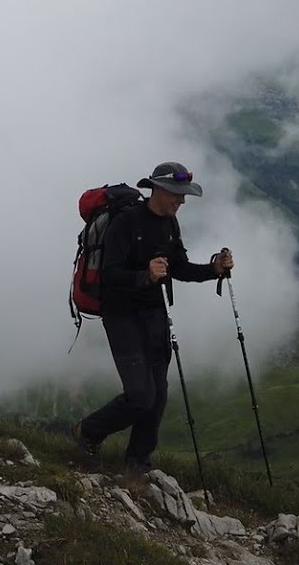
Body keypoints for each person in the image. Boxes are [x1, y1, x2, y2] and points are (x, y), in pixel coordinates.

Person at [73, 162, 234, 474]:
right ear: (157, 190)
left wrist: (213, 269)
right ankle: (87, 432)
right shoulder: (127, 222)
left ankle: (138, 463)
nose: (182, 201)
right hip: (120, 315)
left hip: (155, 315)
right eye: (177, 194)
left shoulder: (169, 225)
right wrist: (145, 277)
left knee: (158, 396)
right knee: (140, 396)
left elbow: (179, 268)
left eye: (184, 195)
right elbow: (110, 274)